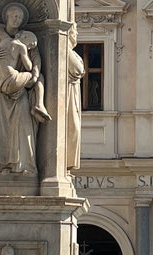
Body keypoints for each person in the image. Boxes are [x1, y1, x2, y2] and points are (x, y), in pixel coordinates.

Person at [0, 3, 46, 175]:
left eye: (20, 17)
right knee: (0, 129)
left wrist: (33, 74)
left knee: (23, 127)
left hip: (21, 90)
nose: (17, 20)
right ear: (7, 18)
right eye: (14, 16)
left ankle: (23, 165)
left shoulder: (27, 38)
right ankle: (2, 166)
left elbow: (35, 62)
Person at [0, 31, 51, 122]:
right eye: (30, 45)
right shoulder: (22, 47)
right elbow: (29, 66)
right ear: (25, 37)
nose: (29, 48)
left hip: (1, 84)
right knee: (39, 78)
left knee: (35, 77)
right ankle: (39, 104)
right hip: (13, 80)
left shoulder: (4, 41)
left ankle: (38, 105)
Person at [66, 24, 85, 171]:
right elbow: (78, 69)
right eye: (74, 31)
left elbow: (78, 70)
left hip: (73, 94)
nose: (76, 34)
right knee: (71, 128)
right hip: (66, 96)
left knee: (74, 129)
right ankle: (65, 161)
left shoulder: (73, 53)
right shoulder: (65, 50)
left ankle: (67, 162)